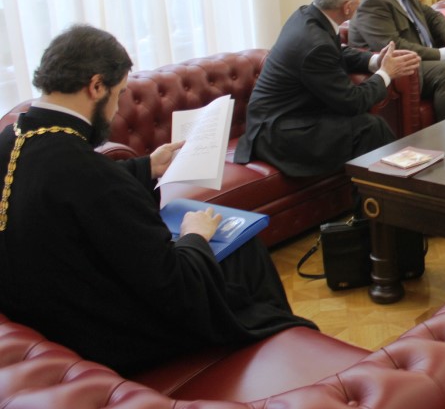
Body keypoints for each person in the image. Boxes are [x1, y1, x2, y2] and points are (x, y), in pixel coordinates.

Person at [0, 25, 316, 375]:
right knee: (244, 248)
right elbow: (174, 286)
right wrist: (195, 236)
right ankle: (285, 353)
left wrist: (147, 166)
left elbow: (66, 189)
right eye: (119, 94)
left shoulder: (12, 137)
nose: (115, 109)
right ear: (96, 86)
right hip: (106, 334)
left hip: (47, 316)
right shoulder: (89, 174)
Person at [235, 0, 420, 177]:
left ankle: (391, 187)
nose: (363, 0)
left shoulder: (308, 15)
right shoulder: (315, 43)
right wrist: (386, 73)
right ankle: (388, 192)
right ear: (347, 7)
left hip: (293, 117)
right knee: (369, 128)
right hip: (278, 134)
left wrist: (375, 60)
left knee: (370, 127)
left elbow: (337, 52)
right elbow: (353, 102)